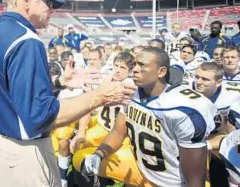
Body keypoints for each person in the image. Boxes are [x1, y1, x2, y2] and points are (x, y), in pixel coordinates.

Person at [0, 0, 136, 187]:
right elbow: (40, 116)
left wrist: (58, 83)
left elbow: (12, 91)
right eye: (48, 2)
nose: (52, 10)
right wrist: (100, 95)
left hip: (0, 144)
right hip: (24, 153)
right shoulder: (26, 40)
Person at [81, 47, 217, 186]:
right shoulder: (132, 91)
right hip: (141, 167)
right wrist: (99, 154)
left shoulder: (185, 108)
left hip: (171, 182)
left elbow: (195, 175)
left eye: (142, 65)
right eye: (135, 64)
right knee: (81, 158)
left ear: (161, 71)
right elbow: (118, 131)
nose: (134, 69)